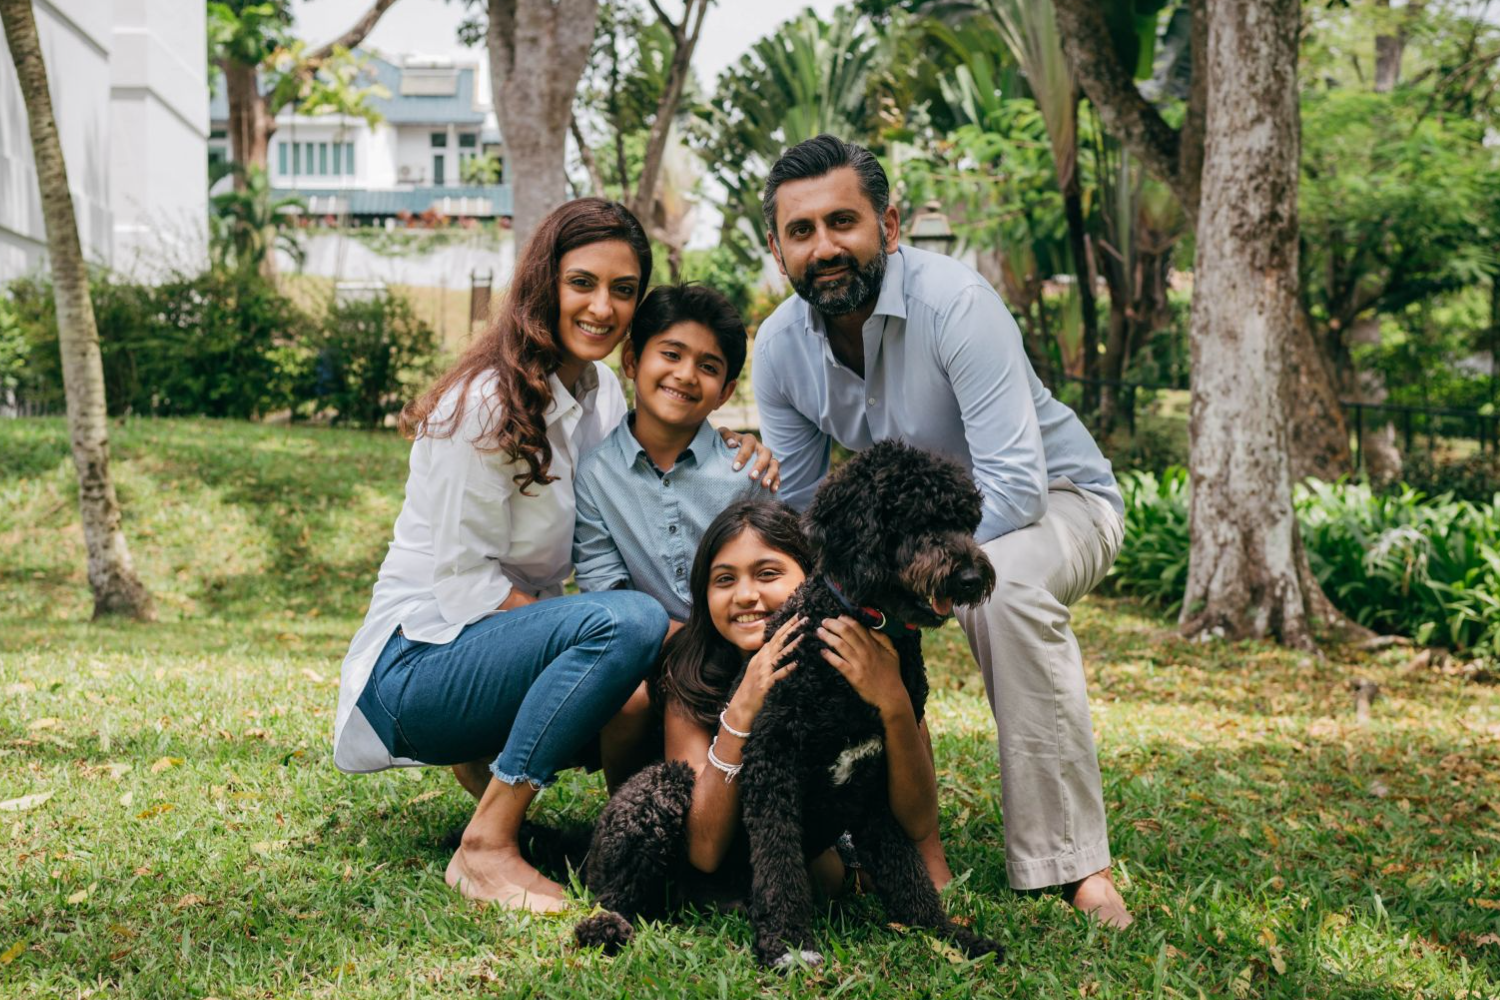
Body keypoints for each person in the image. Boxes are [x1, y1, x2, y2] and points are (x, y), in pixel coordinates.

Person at [331, 198, 777, 913]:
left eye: (624, 290)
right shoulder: (482, 405)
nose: (603, 306)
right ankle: (485, 847)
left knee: (630, 691)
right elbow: (464, 583)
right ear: (545, 282)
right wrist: (645, 641)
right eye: (583, 283)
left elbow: (656, 445)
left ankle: (603, 832)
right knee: (625, 626)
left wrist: (737, 449)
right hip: (414, 669)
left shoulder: (595, 389)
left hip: (494, 649)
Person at [751, 135, 1132, 927]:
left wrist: (906, 575)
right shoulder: (780, 346)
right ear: (777, 249)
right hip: (923, 536)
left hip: (1061, 503)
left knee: (1006, 590)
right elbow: (808, 502)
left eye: (843, 222)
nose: (824, 247)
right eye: (801, 231)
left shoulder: (957, 304)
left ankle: (1075, 866)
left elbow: (1018, 489)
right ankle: (909, 842)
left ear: (888, 225)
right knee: (838, 605)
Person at [654, 499, 941, 893]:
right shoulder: (693, 679)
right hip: (751, 856)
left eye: (767, 573)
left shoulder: (866, 660)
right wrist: (739, 712)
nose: (745, 596)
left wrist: (893, 702)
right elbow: (704, 851)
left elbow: (919, 823)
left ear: (812, 577)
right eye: (724, 580)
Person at [573, 283, 770, 630]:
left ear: (725, 392)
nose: (685, 375)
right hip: (645, 657)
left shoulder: (748, 473)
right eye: (672, 355)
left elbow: (772, 581)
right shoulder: (594, 478)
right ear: (632, 359)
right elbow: (607, 597)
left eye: (708, 367)